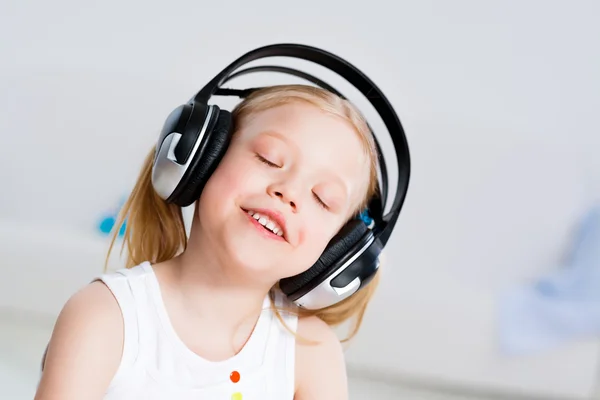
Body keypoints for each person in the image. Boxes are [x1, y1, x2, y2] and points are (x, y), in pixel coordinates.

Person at [35, 83, 382, 399]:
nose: (288, 192)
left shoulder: (311, 355)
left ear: (340, 249)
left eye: (322, 198)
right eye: (268, 158)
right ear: (204, 158)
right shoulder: (106, 316)